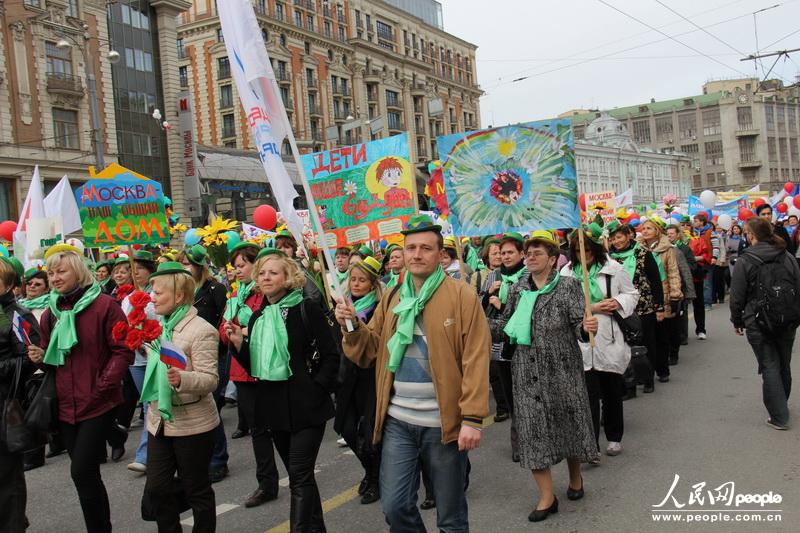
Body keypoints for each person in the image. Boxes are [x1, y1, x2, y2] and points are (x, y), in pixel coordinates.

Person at [334, 214, 490, 532]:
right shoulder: (393, 296)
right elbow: (370, 348)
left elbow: (476, 357)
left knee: (450, 515)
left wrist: (472, 418)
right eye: (411, 248)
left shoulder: (461, 295)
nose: (417, 254)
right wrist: (350, 324)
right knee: (395, 507)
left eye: (426, 248)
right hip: (398, 422)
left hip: (442, 424)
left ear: (439, 254)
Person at [227, 248, 340, 532]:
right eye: (262, 273)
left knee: (300, 476)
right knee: (299, 476)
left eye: (273, 272)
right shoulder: (257, 317)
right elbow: (257, 365)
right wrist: (238, 345)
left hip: (307, 407)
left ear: (288, 277)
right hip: (274, 408)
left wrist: (317, 390)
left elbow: (331, 355)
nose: (266, 278)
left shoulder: (306, 308)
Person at [490, 230, 599, 522]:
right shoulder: (517, 289)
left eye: (537, 253)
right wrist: (480, 320)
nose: (530, 257)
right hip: (526, 369)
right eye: (528, 253)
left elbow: (578, 326)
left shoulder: (568, 287)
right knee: (533, 431)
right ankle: (546, 497)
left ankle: (575, 477)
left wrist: (588, 327)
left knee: (568, 423)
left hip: (562, 368)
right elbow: (505, 324)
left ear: (553, 259)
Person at [28, 244, 134, 533]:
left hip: (98, 401)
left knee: (81, 470)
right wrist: (41, 355)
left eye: (61, 271)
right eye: (51, 273)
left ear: (78, 270)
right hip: (65, 405)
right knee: (85, 476)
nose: (55, 278)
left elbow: (123, 350)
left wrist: (103, 385)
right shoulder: (50, 312)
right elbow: (55, 359)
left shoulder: (104, 306)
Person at [142, 261, 221, 532]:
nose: (152, 298)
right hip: (159, 420)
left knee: (196, 489)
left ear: (178, 296)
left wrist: (182, 378)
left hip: (193, 423)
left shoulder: (202, 330)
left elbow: (211, 379)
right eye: (152, 292)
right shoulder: (157, 327)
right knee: (157, 488)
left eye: (158, 293)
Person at [562, 225, 638, 457]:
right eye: (577, 250)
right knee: (588, 396)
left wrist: (617, 302)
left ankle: (614, 437)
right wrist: (593, 307)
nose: (583, 255)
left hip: (609, 337)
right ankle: (590, 444)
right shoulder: (567, 273)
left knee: (612, 391)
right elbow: (564, 306)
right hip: (581, 339)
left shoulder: (613, 268)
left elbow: (632, 294)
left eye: (586, 249)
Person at [220, 242, 280, 509]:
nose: (238, 271)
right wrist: (233, 331)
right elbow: (223, 332)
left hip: (270, 369)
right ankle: (267, 483)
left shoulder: (269, 294)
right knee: (258, 431)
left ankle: (300, 477)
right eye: (235, 267)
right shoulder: (236, 295)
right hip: (243, 372)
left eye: (242, 265)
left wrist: (246, 331)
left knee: (279, 428)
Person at [730, 217, 800, 430]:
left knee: (769, 364)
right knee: (783, 362)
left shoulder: (746, 259)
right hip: (787, 317)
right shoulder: (786, 254)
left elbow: (737, 295)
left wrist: (737, 319)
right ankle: (781, 404)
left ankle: (779, 416)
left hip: (757, 319)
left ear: (751, 235)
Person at [334, 256, 384, 505]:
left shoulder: (379, 307)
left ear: (372, 284)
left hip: (371, 376)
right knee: (346, 428)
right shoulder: (341, 305)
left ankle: (376, 478)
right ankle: (370, 470)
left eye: (362, 280)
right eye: (353, 279)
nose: (356, 284)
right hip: (347, 376)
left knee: (369, 431)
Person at [178, 244, 229, 484]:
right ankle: (202, 456)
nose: (184, 268)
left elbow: (224, 317)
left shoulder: (215, 288)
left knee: (210, 403)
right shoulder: (181, 292)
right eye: (181, 264)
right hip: (187, 356)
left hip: (213, 353)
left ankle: (218, 459)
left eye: (187, 264)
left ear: (199, 266)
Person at [0, 257, 40, 533]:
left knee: (7, 479)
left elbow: (30, 358)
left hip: (5, 406)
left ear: (9, 284)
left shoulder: (17, 315)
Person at [483, 232, 527, 458]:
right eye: (502, 253)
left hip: (523, 345)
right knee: (510, 393)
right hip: (500, 345)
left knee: (525, 393)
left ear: (522, 254)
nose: (505, 256)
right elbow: (481, 305)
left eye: (510, 252)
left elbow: (526, 311)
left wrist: (501, 305)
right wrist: (488, 295)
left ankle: (527, 438)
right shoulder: (494, 275)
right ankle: (518, 440)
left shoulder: (528, 275)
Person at [609, 221, 664, 393]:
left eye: (619, 237)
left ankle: (648, 378)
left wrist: (659, 306)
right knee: (624, 345)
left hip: (643, 306)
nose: (616, 241)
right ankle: (630, 384)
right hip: (621, 307)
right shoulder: (609, 257)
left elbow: (655, 280)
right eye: (613, 239)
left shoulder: (642, 253)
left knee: (646, 342)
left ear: (628, 236)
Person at [123, 251, 159, 474]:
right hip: (136, 360)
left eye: (139, 269)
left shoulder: (157, 294)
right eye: (131, 269)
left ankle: (145, 455)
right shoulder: (127, 298)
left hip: (154, 355)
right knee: (149, 404)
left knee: (151, 406)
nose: (134, 273)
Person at [639, 218, 683, 382]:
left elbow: (673, 272)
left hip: (663, 294)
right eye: (643, 228)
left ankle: (663, 370)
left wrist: (675, 294)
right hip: (644, 296)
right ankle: (647, 371)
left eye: (649, 228)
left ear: (657, 231)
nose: (645, 231)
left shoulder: (667, 249)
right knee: (647, 337)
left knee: (661, 335)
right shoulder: (639, 249)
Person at [665, 225, 698, 352]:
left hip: (680, 284)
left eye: (672, 233)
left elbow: (690, 267)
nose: (669, 236)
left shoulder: (683, 249)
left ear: (678, 234)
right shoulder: (663, 249)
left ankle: (682, 336)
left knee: (681, 312)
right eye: (667, 234)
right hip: (668, 286)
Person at [690, 214, 712, 339]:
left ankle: (701, 329)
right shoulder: (678, 241)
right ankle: (681, 334)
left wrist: (695, 258)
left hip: (696, 275)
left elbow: (707, 254)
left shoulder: (702, 237)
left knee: (698, 303)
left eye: (689, 224)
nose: (687, 226)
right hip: (681, 277)